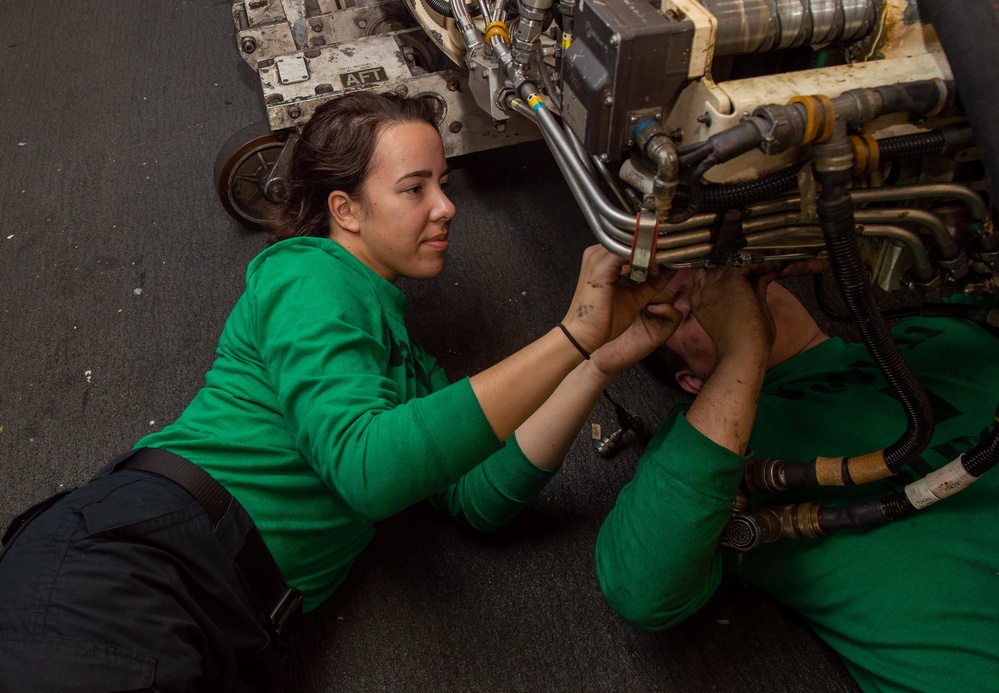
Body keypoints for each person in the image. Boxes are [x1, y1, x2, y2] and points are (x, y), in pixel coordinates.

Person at [0, 92, 680, 691]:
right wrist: (567, 333)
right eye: (414, 188)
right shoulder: (307, 276)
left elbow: (480, 496)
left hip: (226, 612)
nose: (446, 207)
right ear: (344, 209)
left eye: (443, 184)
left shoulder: (399, 359)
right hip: (140, 566)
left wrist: (594, 358)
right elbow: (368, 472)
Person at [595, 265, 999, 693]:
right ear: (693, 380)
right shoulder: (709, 439)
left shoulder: (932, 332)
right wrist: (743, 349)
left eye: (724, 273)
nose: (732, 292)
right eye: (696, 307)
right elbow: (640, 587)